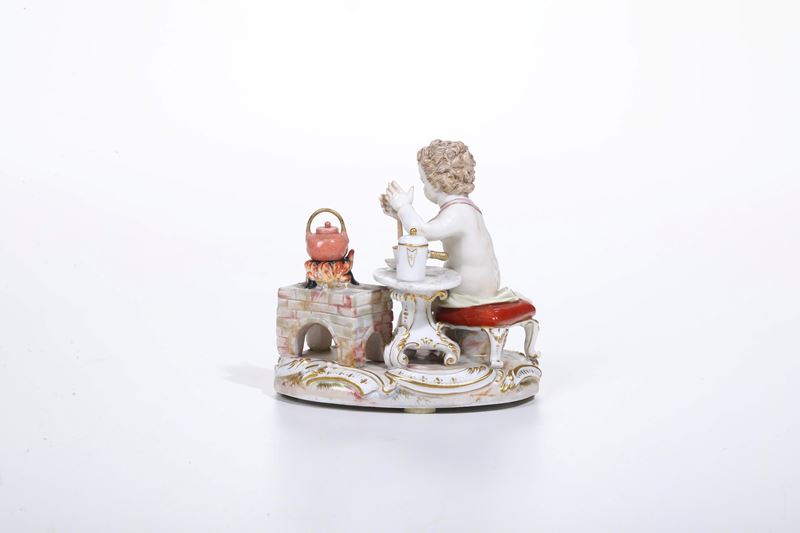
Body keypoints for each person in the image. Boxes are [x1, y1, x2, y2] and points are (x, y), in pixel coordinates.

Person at [379, 139, 520, 308]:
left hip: (469, 292)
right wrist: (400, 215)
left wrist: (403, 206)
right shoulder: (464, 208)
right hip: (480, 285)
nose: (423, 188)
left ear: (437, 182)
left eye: (424, 182)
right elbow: (421, 230)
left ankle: (423, 324)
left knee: (420, 303)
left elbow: (421, 231)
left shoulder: (458, 212)